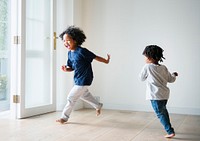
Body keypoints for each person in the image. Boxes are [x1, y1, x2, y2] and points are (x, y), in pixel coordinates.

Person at [56, 25, 110, 124]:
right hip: (78, 79)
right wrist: (66, 69)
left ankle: (64, 117)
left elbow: (95, 57)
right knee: (84, 95)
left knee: (71, 98)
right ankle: (98, 105)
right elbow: (72, 67)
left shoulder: (82, 51)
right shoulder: (70, 53)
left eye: (68, 40)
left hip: (85, 78)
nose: (65, 43)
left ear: (75, 40)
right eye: (64, 41)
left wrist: (106, 61)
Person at [139, 45, 178, 138]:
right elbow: (171, 79)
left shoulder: (147, 67)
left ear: (149, 57)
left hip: (155, 95)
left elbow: (141, 78)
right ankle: (169, 128)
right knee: (163, 111)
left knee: (160, 113)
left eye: (145, 57)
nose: (145, 59)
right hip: (164, 95)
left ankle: (170, 131)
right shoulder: (163, 67)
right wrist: (174, 75)